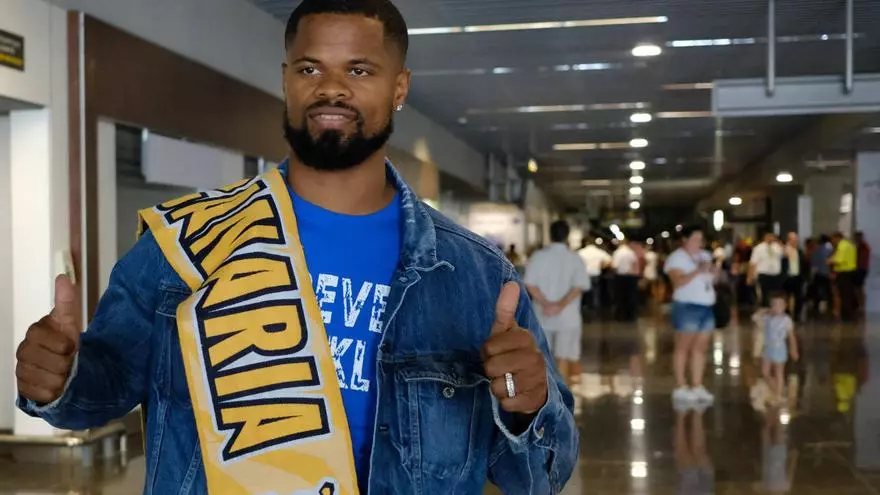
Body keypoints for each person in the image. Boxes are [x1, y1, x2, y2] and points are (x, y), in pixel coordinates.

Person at [14, 2, 577, 493]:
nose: (331, 88)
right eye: (311, 69)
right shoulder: (187, 246)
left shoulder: (475, 277)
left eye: (359, 69)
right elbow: (105, 387)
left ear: (400, 88)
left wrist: (528, 407)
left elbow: (541, 475)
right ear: (287, 80)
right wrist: (62, 378)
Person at [525, 221, 592, 387]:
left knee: (542, 356)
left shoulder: (538, 256)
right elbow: (579, 286)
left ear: (550, 234)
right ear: (567, 236)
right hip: (568, 317)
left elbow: (530, 284)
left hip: (542, 315)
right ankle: (561, 392)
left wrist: (546, 304)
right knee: (563, 356)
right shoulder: (575, 258)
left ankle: (545, 393)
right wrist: (560, 306)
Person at [664, 225, 717, 405]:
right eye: (695, 239)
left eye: (701, 239)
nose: (699, 243)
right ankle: (680, 385)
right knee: (683, 346)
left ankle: (697, 384)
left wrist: (714, 272)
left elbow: (711, 280)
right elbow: (678, 282)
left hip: (707, 305)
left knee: (700, 348)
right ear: (685, 240)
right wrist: (698, 270)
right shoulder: (676, 258)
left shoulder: (705, 256)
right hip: (687, 306)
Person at [753, 292, 799, 406]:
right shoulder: (767, 318)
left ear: (785, 306)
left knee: (779, 372)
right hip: (768, 348)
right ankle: (778, 391)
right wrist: (764, 311)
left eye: (780, 304)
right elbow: (755, 318)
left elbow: (791, 336)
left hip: (779, 348)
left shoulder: (786, 320)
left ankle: (778, 395)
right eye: (774, 304)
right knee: (765, 372)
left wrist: (793, 349)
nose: (776, 307)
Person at [748, 231, 784, 308]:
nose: (771, 238)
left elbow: (785, 256)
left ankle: (775, 309)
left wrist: (780, 243)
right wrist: (750, 277)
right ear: (765, 237)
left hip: (775, 275)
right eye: (769, 236)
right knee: (765, 296)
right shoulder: (758, 248)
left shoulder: (777, 247)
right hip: (763, 275)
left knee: (776, 295)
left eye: (772, 236)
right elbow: (752, 263)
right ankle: (765, 310)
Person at [578, 237, 612, 318]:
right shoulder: (599, 252)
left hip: (584, 275)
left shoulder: (581, 252)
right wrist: (601, 266)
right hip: (595, 274)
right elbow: (609, 261)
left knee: (583, 292)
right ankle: (595, 308)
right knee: (595, 292)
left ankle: (584, 307)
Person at [829, 231, 858, 322]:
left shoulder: (841, 246)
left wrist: (829, 260)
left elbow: (839, 260)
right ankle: (850, 314)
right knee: (849, 294)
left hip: (844, 273)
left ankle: (846, 315)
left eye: (832, 239)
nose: (832, 241)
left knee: (843, 294)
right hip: (852, 272)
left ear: (837, 238)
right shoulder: (851, 245)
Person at [781, 232, 808, 322]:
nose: (795, 241)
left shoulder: (800, 251)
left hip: (798, 277)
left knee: (799, 296)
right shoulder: (784, 251)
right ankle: (787, 313)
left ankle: (797, 314)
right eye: (793, 240)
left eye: (796, 240)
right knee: (786, 296)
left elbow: (804, 264)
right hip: (787, 277)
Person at [612, 238, 640, 322]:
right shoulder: (631, 252)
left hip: (620, 276)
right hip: (631, 276)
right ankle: (631, 315)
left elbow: (615, 266)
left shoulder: (617, 252)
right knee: (631, 296)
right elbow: (634, 263)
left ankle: (621, 315)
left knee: (620, 297)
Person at [810, 234, 833, 316]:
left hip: (818, 273)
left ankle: (818, 307)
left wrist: (812, 274)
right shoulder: (830, 249)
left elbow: (813, 263)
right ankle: (825, 307)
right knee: (826, 290)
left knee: (818, 290)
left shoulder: (817, 250)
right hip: (827, 273)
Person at [855, 231, 871, 314]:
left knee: (859, 288)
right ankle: (860, 305)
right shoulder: (862, 246)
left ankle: (861, 306)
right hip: (862, 269)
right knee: (858, 288)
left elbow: (861, 259)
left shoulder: (863, 246)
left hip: (861, 269)